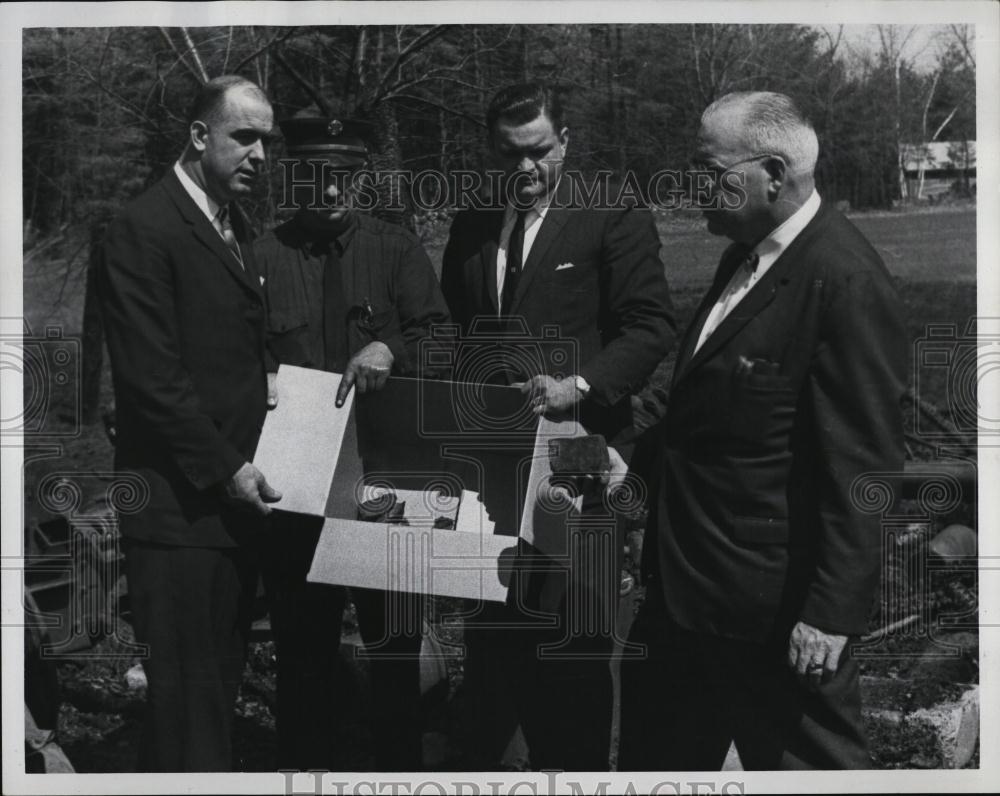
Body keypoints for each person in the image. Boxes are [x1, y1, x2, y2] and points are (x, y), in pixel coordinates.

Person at [618, 91, 906, 770]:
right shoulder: (747, 254)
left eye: (707, 172)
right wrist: (620, 459)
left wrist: (832, 613)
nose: (691, 189)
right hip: (687, 596)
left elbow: (863, 465)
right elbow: (708, 407)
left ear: (773, 175)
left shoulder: (843, 280)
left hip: (771, 618)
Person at [440, 82, 676, 770]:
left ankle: (576, 773)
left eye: (539, 152)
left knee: (574, 646)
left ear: (565, 141)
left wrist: (578, 387)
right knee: (496, 643)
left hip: (581, 461)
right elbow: (459, 336)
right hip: (493, 470)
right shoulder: (475, 222)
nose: (525, 169)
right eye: (510, 154)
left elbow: (652, 323)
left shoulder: (611, 212)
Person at [254, 115, 452, 771]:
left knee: (395, 652)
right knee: (303, 657)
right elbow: (232, 355)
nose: (331, 192)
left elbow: (441, 339)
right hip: (296, 484)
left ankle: (398, 776)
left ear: (360, 180)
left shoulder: (396, 250)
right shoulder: (261, 257)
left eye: (343, 178)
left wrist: (391, 348)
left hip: (383, 479)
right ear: (293, 177)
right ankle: (305, 772)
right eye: (315, 177)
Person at [99, 75, 280, 771]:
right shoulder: (145, 229)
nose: (260, 154)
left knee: (207, 706)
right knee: (188, 713)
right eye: (244, 137)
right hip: (176, 515)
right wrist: (230, 469)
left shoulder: (229, 222)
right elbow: (152, 382)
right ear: (200, 136)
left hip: (226, 515)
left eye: (267, 140)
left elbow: (223, 344)